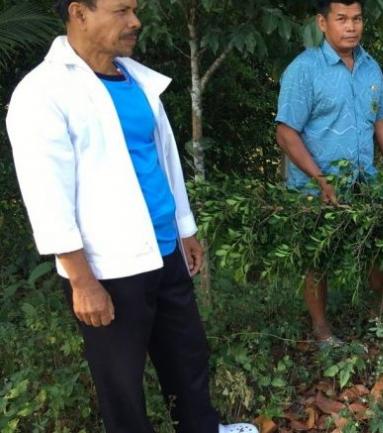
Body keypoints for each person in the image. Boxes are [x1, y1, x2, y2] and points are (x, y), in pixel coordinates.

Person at [6, 1, 258, 431]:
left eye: (135, 10)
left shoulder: (134, 79)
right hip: (110, 267)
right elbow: (47, 195)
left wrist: (185, 229)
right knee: (122, 384)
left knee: (187, 357)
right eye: (121, 11)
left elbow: (164, 161)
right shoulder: (43, 92)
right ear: (79, 13)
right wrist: (82, 281)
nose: (135, 21)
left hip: (166, 250)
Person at [276, 0, 383, 347]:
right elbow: (285, 133)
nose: (351, 27)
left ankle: (379, 308)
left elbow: (382, 122)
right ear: (322, 23)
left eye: (357, 19)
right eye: (342, 19)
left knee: (377, 245)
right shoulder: (304, 70)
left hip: (364, 181)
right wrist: (319, 179)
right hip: (317, 187)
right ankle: (322, 330)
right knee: (318, 257)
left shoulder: (370, 67)